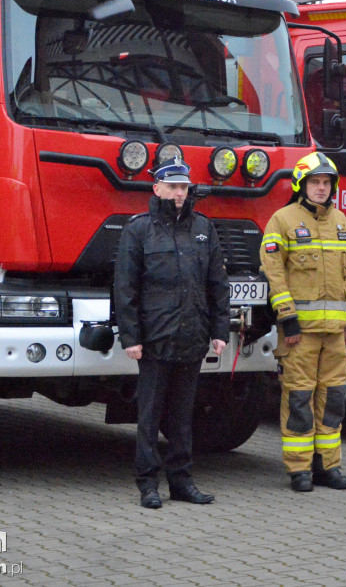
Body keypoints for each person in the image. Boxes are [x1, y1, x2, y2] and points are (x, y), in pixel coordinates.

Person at [114, 158, 230, 509]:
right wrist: (130, 337)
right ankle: (147, 484)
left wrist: (219, 330)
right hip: (154, 339)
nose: (180, 193)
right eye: (173, 186)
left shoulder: (203, 229)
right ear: (157, 188)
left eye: (184, 187)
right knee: (149, 415)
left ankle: (181, 481)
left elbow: (217, 284)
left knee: (182, 416)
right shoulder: (139, 230)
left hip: (191, 336)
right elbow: (125, 287)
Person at [260, 152, 346, 492]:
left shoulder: (341, 222)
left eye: (326, 183)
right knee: (300, 398)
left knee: (333, 399)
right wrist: (287, 320)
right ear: (302, 185)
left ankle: (327, 467)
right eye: (315, 182)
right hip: (298, 335)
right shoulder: (282, 220)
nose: (321, 188)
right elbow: (275, 275)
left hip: (334, 334)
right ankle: (299, 470)